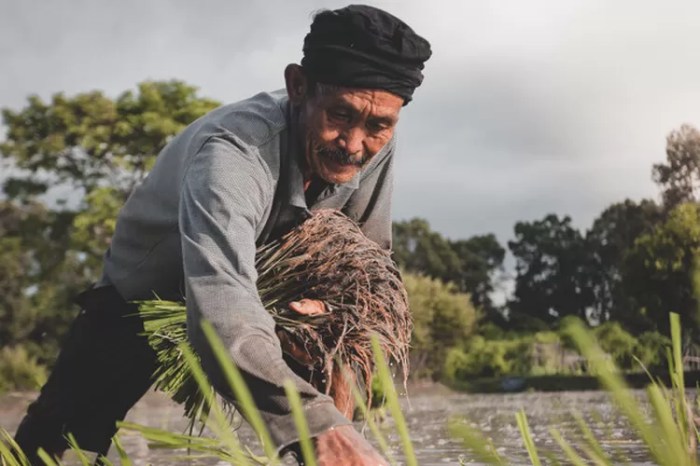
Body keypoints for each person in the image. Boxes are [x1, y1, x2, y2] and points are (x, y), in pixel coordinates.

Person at [14, 4, 431, 465]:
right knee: (61, 444)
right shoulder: (233, 155)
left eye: (378, 126)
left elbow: (369, 266)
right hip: (148, 294)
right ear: (298, 87)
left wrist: (335, 323)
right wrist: (320, 429)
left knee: (333, 391)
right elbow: (222, 307)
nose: (354, 144)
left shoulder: (374, 142)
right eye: (339, 115)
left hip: (274, 290)